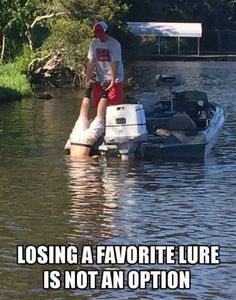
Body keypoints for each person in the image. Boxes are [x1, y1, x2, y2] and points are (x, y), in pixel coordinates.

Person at [86, 20, 125, 107]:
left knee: (114, 104)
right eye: (97, 34)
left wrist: (112, 81)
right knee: (98, 103)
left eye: (101, 34)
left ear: (106, 32)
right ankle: (101, 119)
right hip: (100, 78)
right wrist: (88, 78)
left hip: (116, 78)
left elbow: (114, 63)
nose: (100, 37)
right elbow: (91, 61)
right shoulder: (94, 43)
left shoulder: (115, 44)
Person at [69, 84, 108, 160]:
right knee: (83, 114)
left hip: (85, 141)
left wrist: (96, 159)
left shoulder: (82, 164)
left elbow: (94, 157)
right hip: (74, 139)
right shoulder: (72, 163)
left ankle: (106, 89)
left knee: (99, 117)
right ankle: (89, 88)